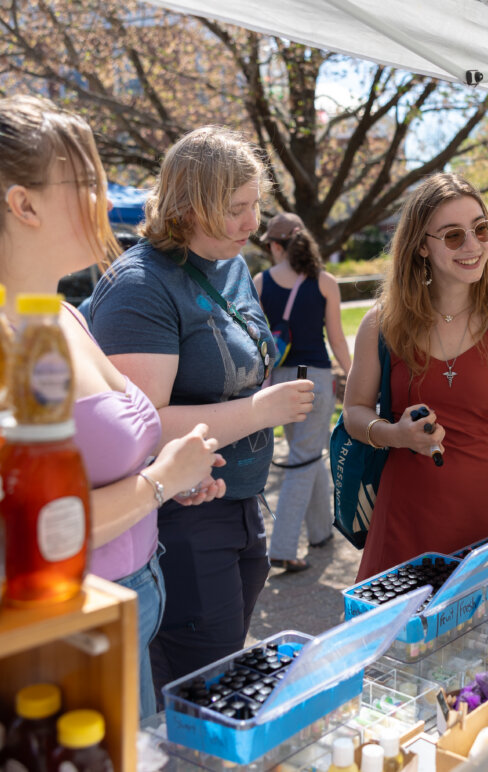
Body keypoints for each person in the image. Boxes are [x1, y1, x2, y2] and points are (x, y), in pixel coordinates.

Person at [0, 96, 227, 718]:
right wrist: (158, 483)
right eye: (85, 183)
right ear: (23, 205)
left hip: (119, 606)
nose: (104, 202)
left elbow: (99, 462)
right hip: (50, 634)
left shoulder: (61, 315)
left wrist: (173, 474)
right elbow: (10, 534)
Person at [88, 126, 316, 694]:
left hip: (237, 503)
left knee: (225, 665)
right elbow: (143, 425)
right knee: (205, 686)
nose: (254, 224)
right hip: (183, 518)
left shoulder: (230, 265)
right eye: (237, 209)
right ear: (189, 208)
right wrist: (262, 411)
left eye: (255, 205)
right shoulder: (140, 285)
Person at [342, 173, 488, 581]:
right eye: (452, 236)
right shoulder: (381, 324)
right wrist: (395, 434)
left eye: (481, 230)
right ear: (421, 246)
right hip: (401, 521)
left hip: (486, 516)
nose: (473, 246)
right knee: (397, 642)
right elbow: (353, 413)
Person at [253, 212, 352, 572]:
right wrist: (355, 378)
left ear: (277, 246)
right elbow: (337, 339)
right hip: (315, 379)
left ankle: (321, 531)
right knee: (305, 458)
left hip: (277, 382)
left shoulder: (260, 282)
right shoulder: (325, 282)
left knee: (306, 452)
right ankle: (281, 547)